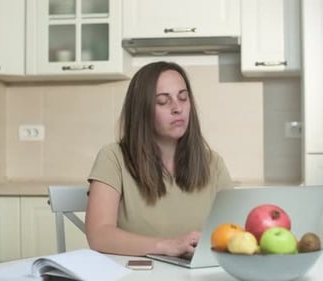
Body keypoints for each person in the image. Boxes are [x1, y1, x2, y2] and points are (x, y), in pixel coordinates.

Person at [85, 61, 233, 257]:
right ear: (141, 110)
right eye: (163, 101)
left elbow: (234, 231)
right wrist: (167, 246)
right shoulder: (113, 158)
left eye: (183, 97)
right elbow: (99, 235)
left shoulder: (213, 163)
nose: (177, 108)